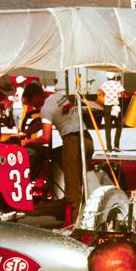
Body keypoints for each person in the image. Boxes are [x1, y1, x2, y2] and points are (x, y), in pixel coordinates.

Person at [28, 87, 95, 224]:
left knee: (73, 188)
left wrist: (27, 140)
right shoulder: (57, 96)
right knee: (59, 157)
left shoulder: (45, 109)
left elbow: (45, 138)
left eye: (30, 102)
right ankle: (72, 209)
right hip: (87, 138)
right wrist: (30, 130)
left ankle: (74, 224)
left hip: (73, 141)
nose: (32, 106)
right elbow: (51, 119)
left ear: (36, 96)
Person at [97, 72, 126, 153]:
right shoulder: (117, 84)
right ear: (114, 77)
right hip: (116, 107)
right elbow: (124, 95)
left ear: (107, 78)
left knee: (108, 128)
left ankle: (109, 148)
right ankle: (116, 146)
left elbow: (100, 94)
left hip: (107, 108)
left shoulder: (104, 85)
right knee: (119, 126)